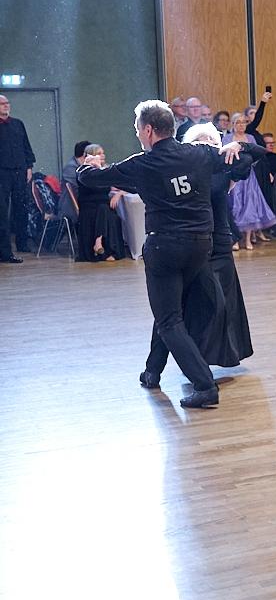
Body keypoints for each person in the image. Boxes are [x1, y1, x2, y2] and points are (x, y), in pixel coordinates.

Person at [76, 99, 250, 408]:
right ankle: (152, 371)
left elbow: (89, 180)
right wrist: (234, 148)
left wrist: (86, 167)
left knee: (169, 319)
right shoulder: (199, 154)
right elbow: (246, 159)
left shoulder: (143, 163)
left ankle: (204, 385)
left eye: (137, 129)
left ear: (148, 130)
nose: (137, 134)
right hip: (199, 246)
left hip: (165, 248)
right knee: (169, 307)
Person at [143, 123, 257, 377]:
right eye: (199, 140)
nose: (206, 143)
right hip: (191, 247)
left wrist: (239, 144)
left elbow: (257, 153)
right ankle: (155, 368)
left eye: (211, 140)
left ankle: (200, 363)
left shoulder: (226, 166)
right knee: (172, 309)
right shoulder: (182, 169)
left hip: (219, 247)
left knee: (219, 307)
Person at [224, 113, 276, 248]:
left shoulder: (251, 138)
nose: (241, 125)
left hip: (249, 176)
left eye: (243, 122)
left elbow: (258, 154)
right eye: (238, 122)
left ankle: (247, 239)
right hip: (233, 175)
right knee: (235, 206)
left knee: (250, 205)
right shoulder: (227, 138)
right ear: (233, 124)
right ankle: (235, 239)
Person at [75, 144, 128, 262]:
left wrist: (119, 194)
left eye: (102, 153)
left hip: (102, 206)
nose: (102, 155)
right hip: (89, 206)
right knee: (103, 209)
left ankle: (103, 246)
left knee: (111, 214)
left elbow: (120, 185)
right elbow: (98, 189)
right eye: (99, 153)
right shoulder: (85, 172)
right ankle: (100, 246)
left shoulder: (104, 170)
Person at [0, 94, 35, 263]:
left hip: (19, 172)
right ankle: (5, 251)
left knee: (21, 207)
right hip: (2, 174)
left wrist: (29, 168)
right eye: (2, 103)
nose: (6, 106)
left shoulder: (17, 124)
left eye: (7, 103)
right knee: (2, 211)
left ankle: (22, 243)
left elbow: (26, 147)